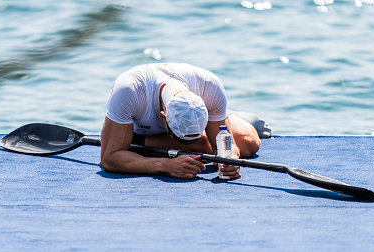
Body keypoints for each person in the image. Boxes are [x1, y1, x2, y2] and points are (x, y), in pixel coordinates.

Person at [100, 63, 263, 180]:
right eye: (181, 139)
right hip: (137, 130)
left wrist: (229, 159)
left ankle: (227, 117)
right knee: (201, 146)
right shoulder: (129, 90)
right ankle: (138, 141)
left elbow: (227, 148)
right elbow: (109, 158)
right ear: (164, 117)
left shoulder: (209, 86)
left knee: (250, 144)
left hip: (196, 122)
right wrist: (165, 165)